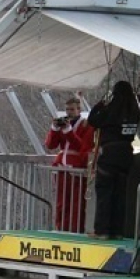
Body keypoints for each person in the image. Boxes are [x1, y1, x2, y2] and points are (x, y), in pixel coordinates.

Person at [87, 80, 140, 239]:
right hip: (126, 154)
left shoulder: (111, 110)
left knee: (105, 192)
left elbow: (93, 120)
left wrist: (99, 105)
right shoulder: (134, 112)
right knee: (120, 194)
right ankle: (117, 231)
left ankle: (102, 230)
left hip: (110, 154)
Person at [45, 97, 94, 233]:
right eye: (67, 110)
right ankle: (60, 228)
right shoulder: (64, 124)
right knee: (61, 202)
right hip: (62, 168)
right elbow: (50, 144)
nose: (69, 112)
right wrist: (54, 129)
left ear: (79, 110)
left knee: (77, 203)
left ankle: (75, 230)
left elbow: (82, 146)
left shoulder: (86, 125)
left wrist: (69, 131)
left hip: (77, 168)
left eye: (72, 109)